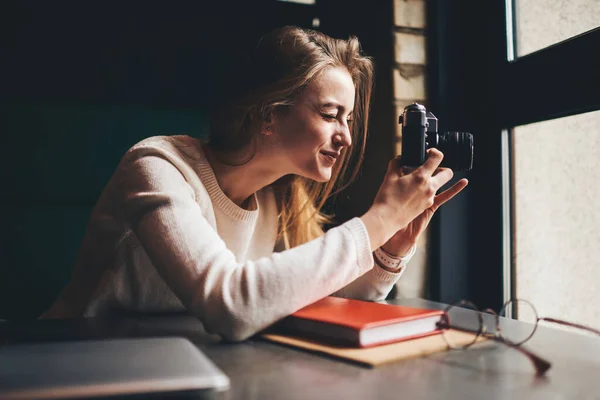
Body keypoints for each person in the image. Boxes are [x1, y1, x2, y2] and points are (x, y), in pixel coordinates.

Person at [42, 26, 468, 341]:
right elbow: (231, 304)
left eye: (349, 118)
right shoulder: (158, 166)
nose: (347, 137)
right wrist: (378, 220)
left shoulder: (278, 196)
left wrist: (390, 248)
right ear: (269, 113)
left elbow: (317, 290)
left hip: (175, 361)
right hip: (72, 361)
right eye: (329, 113)